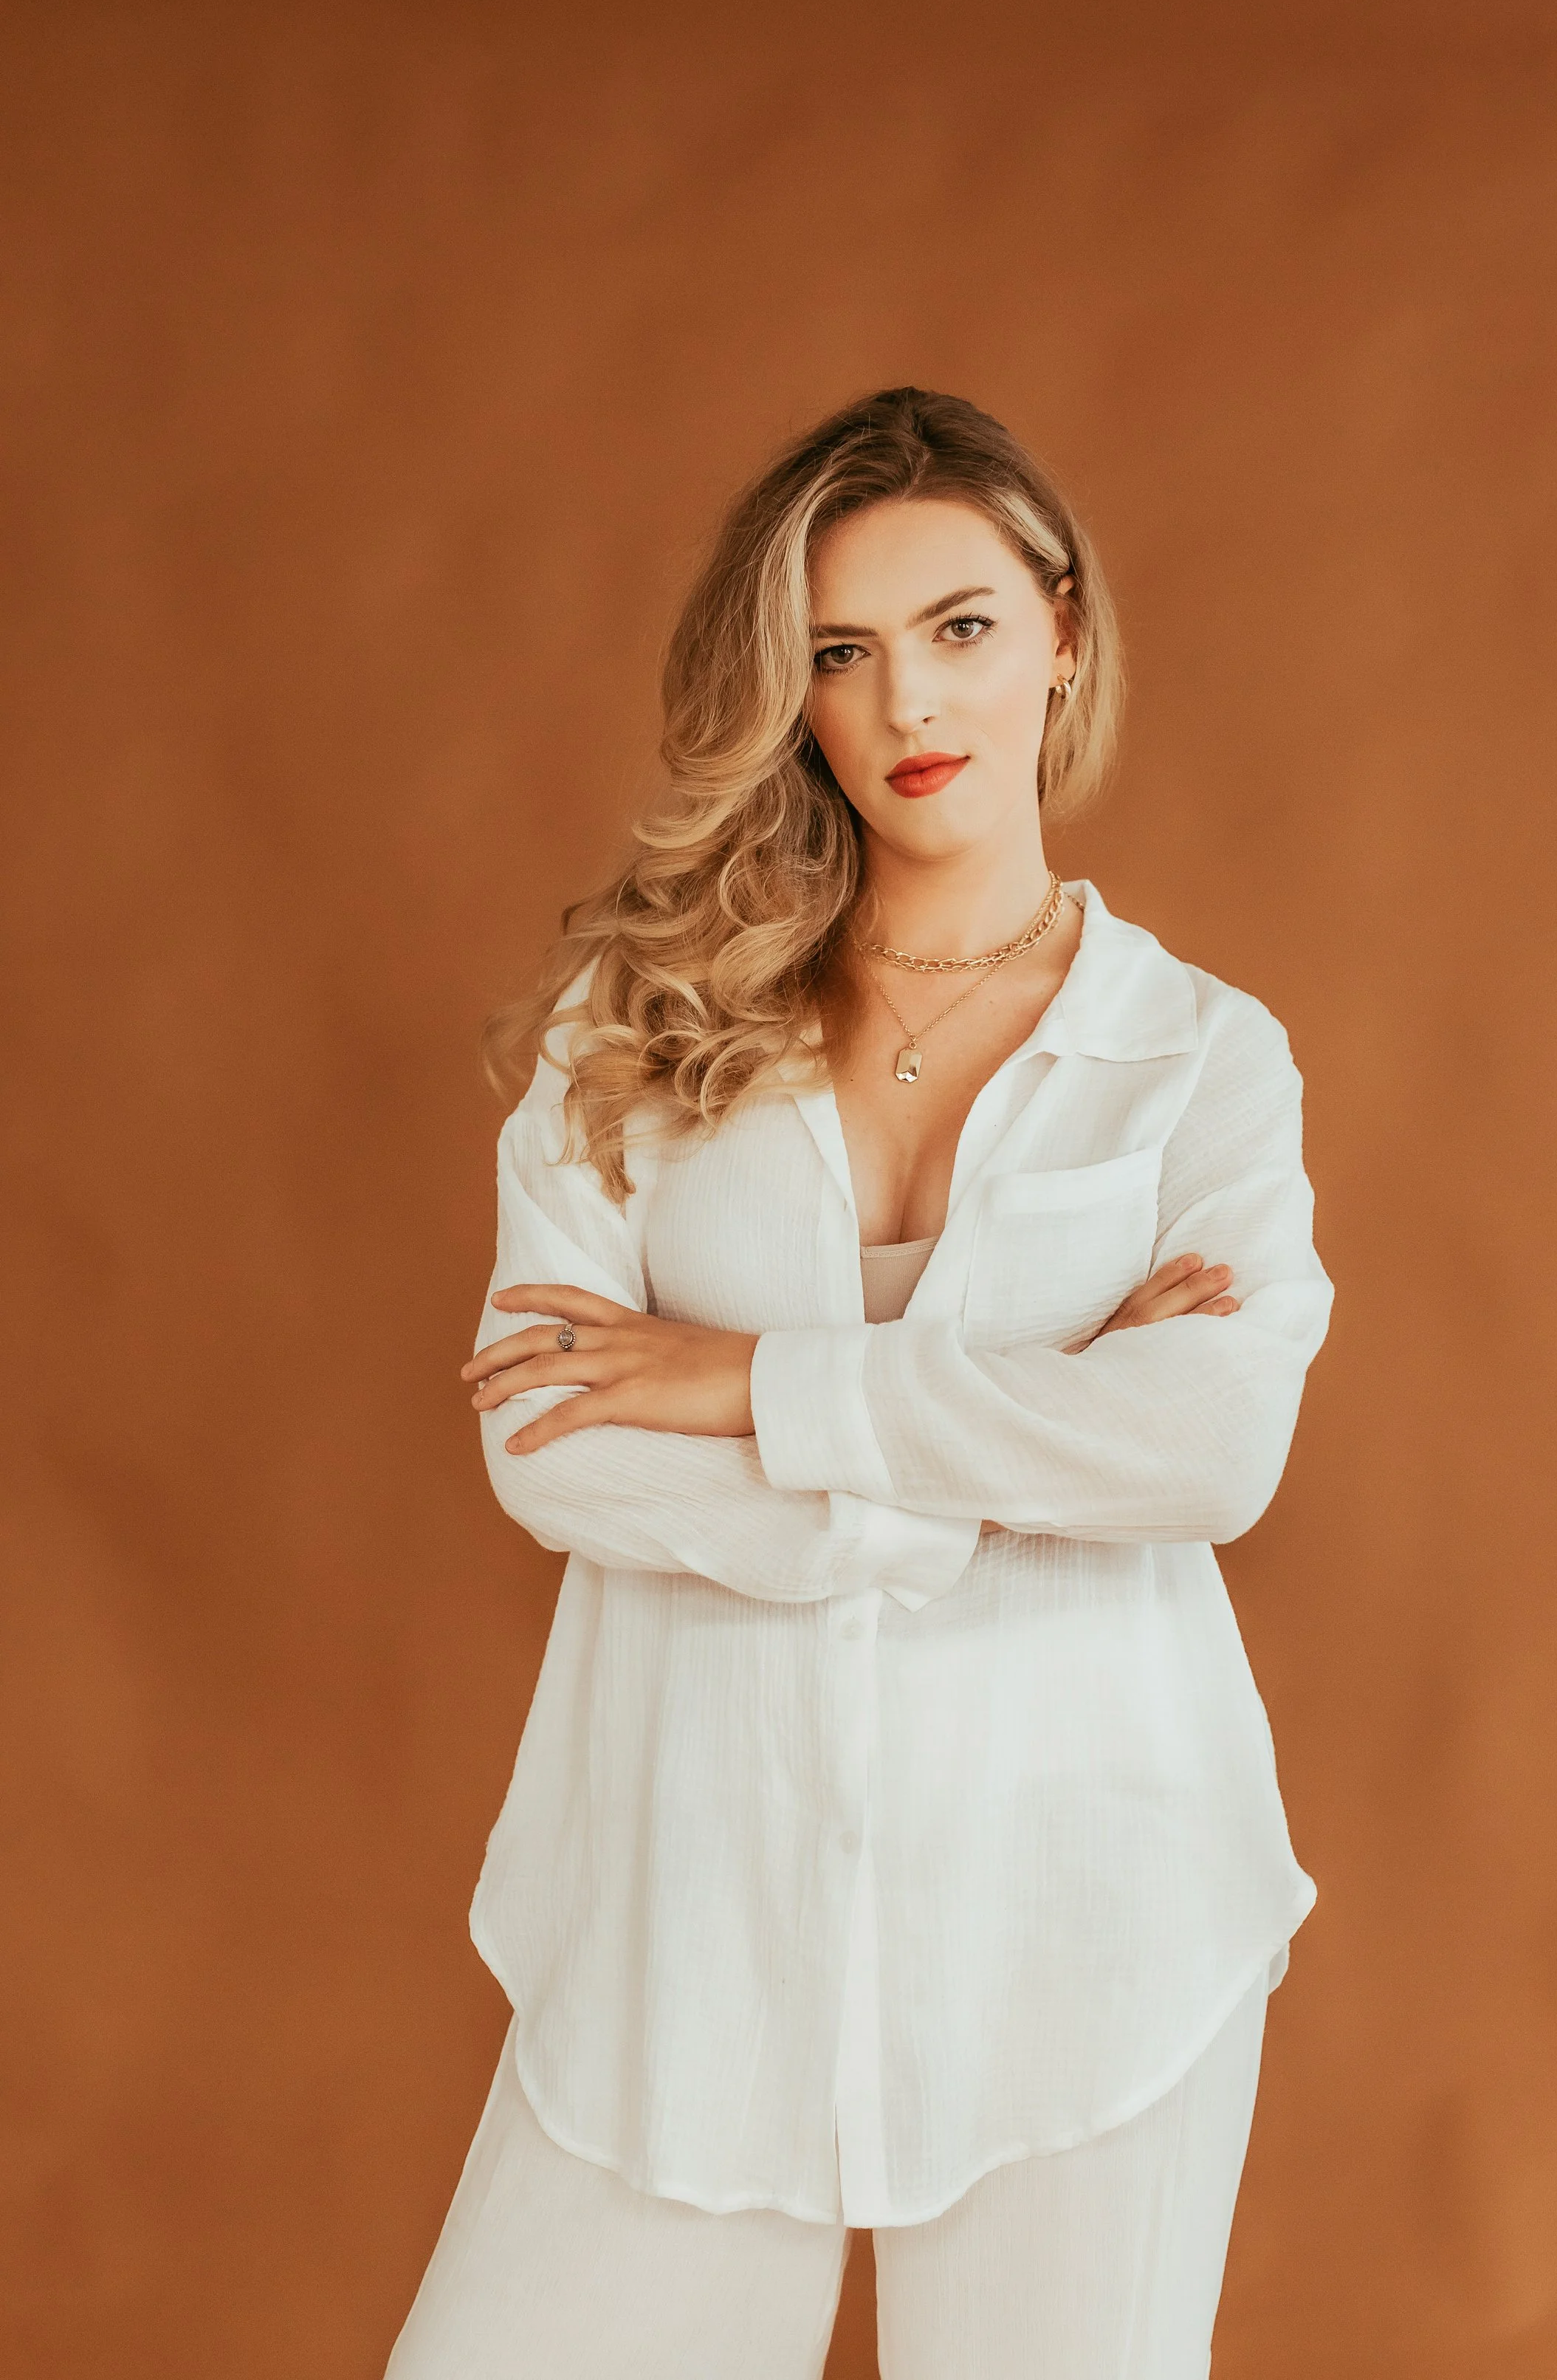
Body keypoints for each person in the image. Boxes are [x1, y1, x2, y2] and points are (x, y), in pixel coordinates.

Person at [384, 387, 1333, 2379]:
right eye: (838, 649)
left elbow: (1209, 1446)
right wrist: (1013, 1433)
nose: (910, 696)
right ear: (787, 693)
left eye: (961, 624)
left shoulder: (1196, 1061)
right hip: (683, 1918)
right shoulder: (628, 1028)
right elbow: (551, 1444)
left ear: (1059, 628)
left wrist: (743, 1379)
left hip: (1094, 1907)